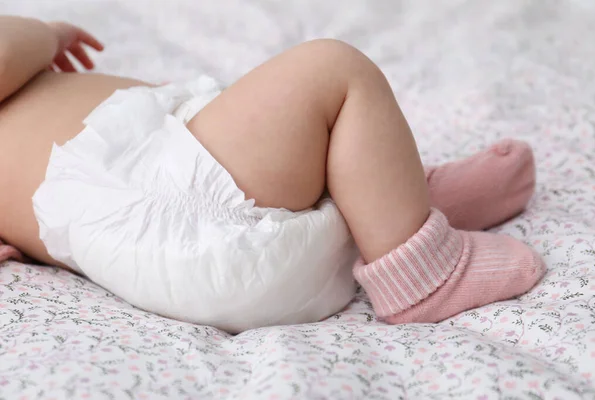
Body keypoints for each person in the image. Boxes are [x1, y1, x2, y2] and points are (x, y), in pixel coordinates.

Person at [0, 16, 545, 331]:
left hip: (158, 254)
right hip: (172, 197)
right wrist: (42, 34)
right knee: (333, 71)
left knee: (294, 136)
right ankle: (427, 275)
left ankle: (400, 206)